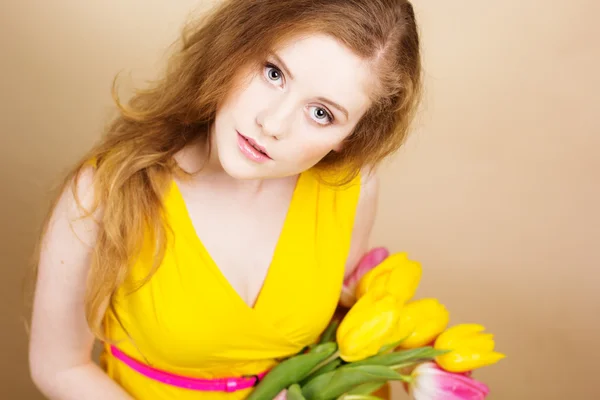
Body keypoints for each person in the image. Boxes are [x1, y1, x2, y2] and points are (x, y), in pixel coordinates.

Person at [27, 0, 422, 398]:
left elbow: (340, 329)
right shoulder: (104, 190)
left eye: (321, 113)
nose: (271, 123)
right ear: (236, 47)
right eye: (274, 73)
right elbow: (60, 367)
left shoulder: (353, 190)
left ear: (350, 138)